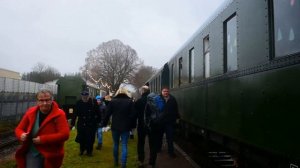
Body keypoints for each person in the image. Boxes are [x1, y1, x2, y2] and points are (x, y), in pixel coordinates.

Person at [15, 89, 70, 168]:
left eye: (47, 100)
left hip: (52, 153)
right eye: (41, 100)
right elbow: (18, 129)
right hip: (33, 151)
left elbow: (65, 134)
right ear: (37, 102)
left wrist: (43, 139)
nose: (44, 103)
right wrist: (21, 135)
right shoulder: (31, 112)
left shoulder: (59, 114)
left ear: (52, 100)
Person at [102, 87, 136, 168]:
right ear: (125, 93)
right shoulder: (130, 102)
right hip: (126, 126)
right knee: (124, 145)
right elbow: (133, 115)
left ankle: (116, 161)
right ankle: (123, 164)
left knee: (116, 144)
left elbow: (107, 114)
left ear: (118, 92)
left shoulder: (113, 102)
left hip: (115, 126)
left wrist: (104, 124)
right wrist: (133, 126)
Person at [70, 90, 99, 156]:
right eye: (83, 96)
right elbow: (75, 114)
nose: (85, 97)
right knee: (81, 138)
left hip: (91, 123)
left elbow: (98, 112)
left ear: (88, 95)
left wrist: (98, 121)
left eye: (86, 95)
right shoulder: (78, 103)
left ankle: (89, 151)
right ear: (81, 96)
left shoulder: (93, 102)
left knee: (90, 138)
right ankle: (82, 150)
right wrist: (72, 123)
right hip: (81, 123)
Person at [157, 87, 179, 158]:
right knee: (159, 137)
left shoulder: (172, 99)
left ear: (168, 92)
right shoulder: (158, 99)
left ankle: (171, 152)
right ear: (161, 92)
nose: (166, 92)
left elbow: (176, 109)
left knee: (170, 138)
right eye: (164, 91)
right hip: (160, 122)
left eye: (167, 91)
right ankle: (158, 149)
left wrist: (177, 118)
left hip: (169, 122)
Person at [134, 85, 150, 167]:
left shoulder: (138, 101)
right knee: (152, 143)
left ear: (142, 91)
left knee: (141, 143)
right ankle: (152, 162)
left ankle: (141, 160)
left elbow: (134, 115)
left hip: (141, 125)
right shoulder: (153, 100)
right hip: (152, 125)